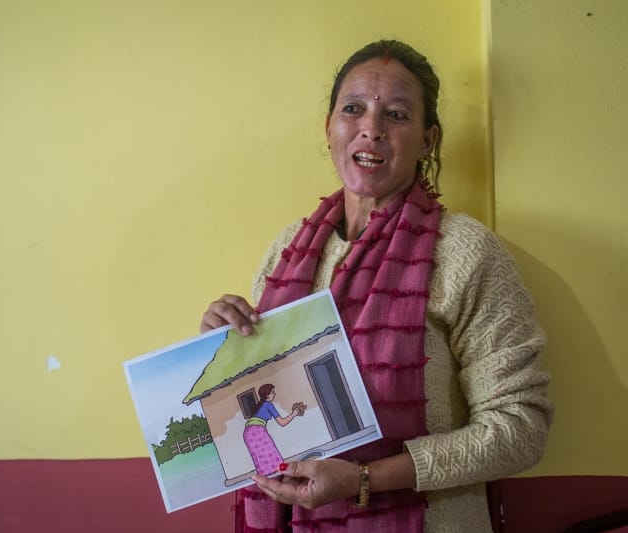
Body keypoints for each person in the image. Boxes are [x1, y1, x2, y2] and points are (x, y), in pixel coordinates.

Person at [199, 39, 553, 532]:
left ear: (428, 140)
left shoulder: (466, 253)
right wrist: (223, 349)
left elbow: (520, 428)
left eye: (396, 115)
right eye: (353, 109)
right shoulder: (286, 251)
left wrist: (365, 478)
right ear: (329, 128)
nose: (371, 128)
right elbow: (262, 397)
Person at [243, 384, 306, 476]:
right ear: (267, 395)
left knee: (260, 457)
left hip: (248, 433)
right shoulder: (268, 405)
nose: (274, 394)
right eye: (273, 392)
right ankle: (279, 471)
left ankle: (268, 474)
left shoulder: (260, 405)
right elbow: (282, 422)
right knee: (270, 452)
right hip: (257, 431)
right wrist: (294, 414)